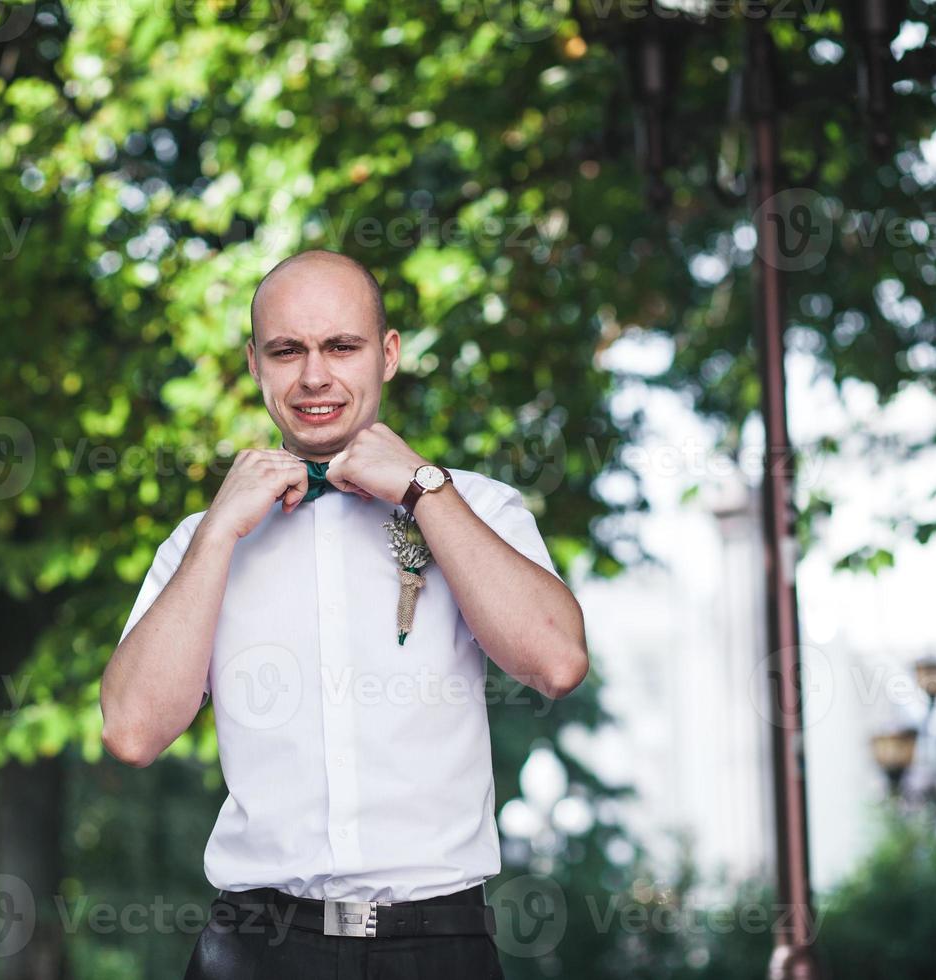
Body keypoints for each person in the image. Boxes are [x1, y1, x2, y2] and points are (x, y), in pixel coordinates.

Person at [101, 249, 589, 979]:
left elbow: (556, 662)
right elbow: (133, 732)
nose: (315, 375)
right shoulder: (202, 541)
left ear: (387, 354)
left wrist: (426, 491)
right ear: (255, 364)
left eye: (341, 346)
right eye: (287, 350)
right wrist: (218, 534)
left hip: (437, 945)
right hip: (254, 947)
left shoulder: (478, 508)